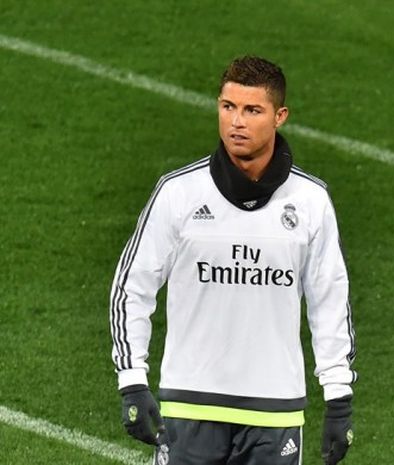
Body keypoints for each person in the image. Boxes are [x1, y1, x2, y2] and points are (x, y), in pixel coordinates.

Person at [110, 56, 356, 465]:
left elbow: (330, 301)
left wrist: (338, 396)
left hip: (275, 411)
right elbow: (131, 287)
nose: (236, 122)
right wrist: (133, 380)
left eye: (252, 110)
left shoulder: (311, 202)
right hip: (190, 407)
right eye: (228, 107)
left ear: (280, 116)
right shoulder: (178, 194)